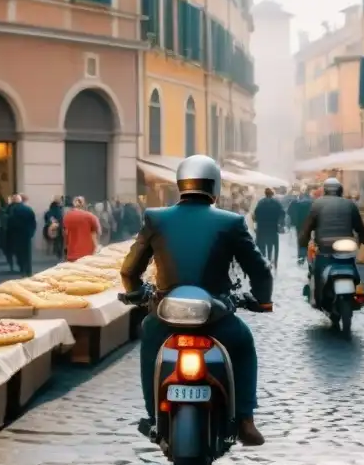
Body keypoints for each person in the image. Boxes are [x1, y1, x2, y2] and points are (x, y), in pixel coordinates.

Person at [121, 155, 272, 446]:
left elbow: (129, 270)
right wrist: (261, 300)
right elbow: (260, 270)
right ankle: (245, 420)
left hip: (165, 317)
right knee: (242, 344)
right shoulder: (231, 222)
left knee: (150, 346)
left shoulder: (156, 217)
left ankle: (154, 416)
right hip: (216, 318)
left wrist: (136, 292)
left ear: (180, 183)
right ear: (214, 185)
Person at [298, 177, 364, 306]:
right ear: (340, 190)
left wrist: (303, 241)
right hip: (346, 245)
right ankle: (358, 291)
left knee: (318, 269)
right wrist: (363, 239)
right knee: (352, 265)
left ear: (325, 190)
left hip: (325, 246)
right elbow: (359, 227)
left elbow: (308, 226)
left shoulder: (317, 204)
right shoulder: (350, 204)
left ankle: (317, 298)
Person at [253, 187, 285, 267]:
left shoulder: (261, 202)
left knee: (262, 246)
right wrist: (280, 223)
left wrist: (257, 222)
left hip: (262, 228)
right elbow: (282, 213)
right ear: (272, 194)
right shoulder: (276, 203)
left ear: (265, 194)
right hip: (273, 228)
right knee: (271, 245)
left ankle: (264, 260)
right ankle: (271, 259)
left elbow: (256, 214)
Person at [63, 196, 101, 261]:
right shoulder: (90, 217)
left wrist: (66, 249)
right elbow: (97, 233)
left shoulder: (66, 217)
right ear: (84, 204)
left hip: (72, 254)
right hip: (87, 255)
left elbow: (65, 235)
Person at [10, 194, 38, 276]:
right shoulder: (28, 209)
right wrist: (31, 232)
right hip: (27, 234)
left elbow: (11, 223)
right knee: (27, 253)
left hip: (17, 234)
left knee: (19, 252)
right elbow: (33, 222)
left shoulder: (13, 210)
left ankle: (22, 268)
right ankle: (28, 270)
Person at [288, 189, 314, 264]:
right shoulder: (311, 203)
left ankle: (301, 258)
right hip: (309, 224)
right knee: (309, 241)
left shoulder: (296, 202)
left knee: (300, 241)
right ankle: (309, 258)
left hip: (299, 224)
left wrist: (293, 222)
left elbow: (289, 212)